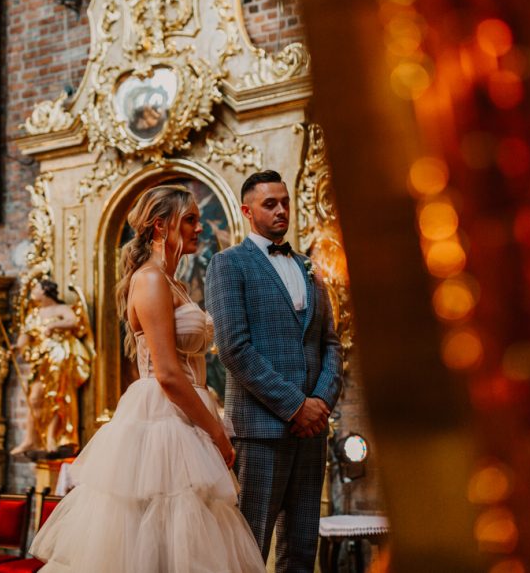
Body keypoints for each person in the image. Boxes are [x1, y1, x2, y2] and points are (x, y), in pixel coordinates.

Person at [30, 184, 265, 572]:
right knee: (154, 537)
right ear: (160, 226)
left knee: (185, 540)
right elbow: (168, 373)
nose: (199, 227)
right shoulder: (151, 279)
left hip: (189, 411)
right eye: (189, 220)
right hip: (163, 414)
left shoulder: (175, 283)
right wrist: (217, 433)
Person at [205, 170, 344, 573]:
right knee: (250, 547)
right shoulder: (228, 264)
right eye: (270, 204)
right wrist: (296, 406)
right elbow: (234, 348)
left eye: (284, 202)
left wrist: (320, 403)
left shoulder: (310, 267)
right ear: (248, 211)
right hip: (261, 428)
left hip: (311, 431)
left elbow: (330, 343)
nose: (281, 210)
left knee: (301, 549)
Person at [10, 278, 94, 456]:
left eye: (36, 289)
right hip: (41, 360)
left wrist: (54, 325)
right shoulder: (34, 314)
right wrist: (17, 347)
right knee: (34, 398)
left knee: (57, 396)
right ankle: (30, 439)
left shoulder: (61, 309)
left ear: (45, 291)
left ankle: (52, 437)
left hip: (59, 356)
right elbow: (25, 336)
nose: (33, 292)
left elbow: (73, 321)